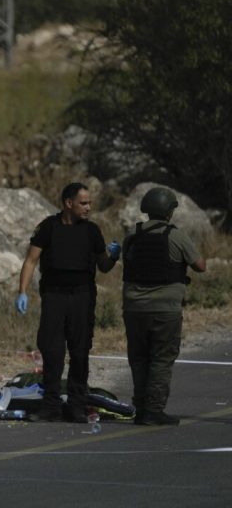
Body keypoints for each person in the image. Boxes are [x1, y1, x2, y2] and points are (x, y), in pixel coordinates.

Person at [15, 182, 120, 422]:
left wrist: (114, 256)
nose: (88, 207)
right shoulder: (48, 227)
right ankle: (50, 406)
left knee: (80, 352)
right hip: (54, 296)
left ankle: (76, 406)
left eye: (89, 203)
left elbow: (103, 266)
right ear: (68, 203)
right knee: (52, 352)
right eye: (83, 203)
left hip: (82, 297)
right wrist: (22, 292)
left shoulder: (92, 231)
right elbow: (30, 261)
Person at [121, 187, 206, 426]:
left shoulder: (132, 236)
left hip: (133, 308)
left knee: (139, 358)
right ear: (169, 212)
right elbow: (200, 266)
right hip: (164, 310)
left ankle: (140, 408)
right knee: (161, 359)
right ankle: (154, 410)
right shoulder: (176, 236)